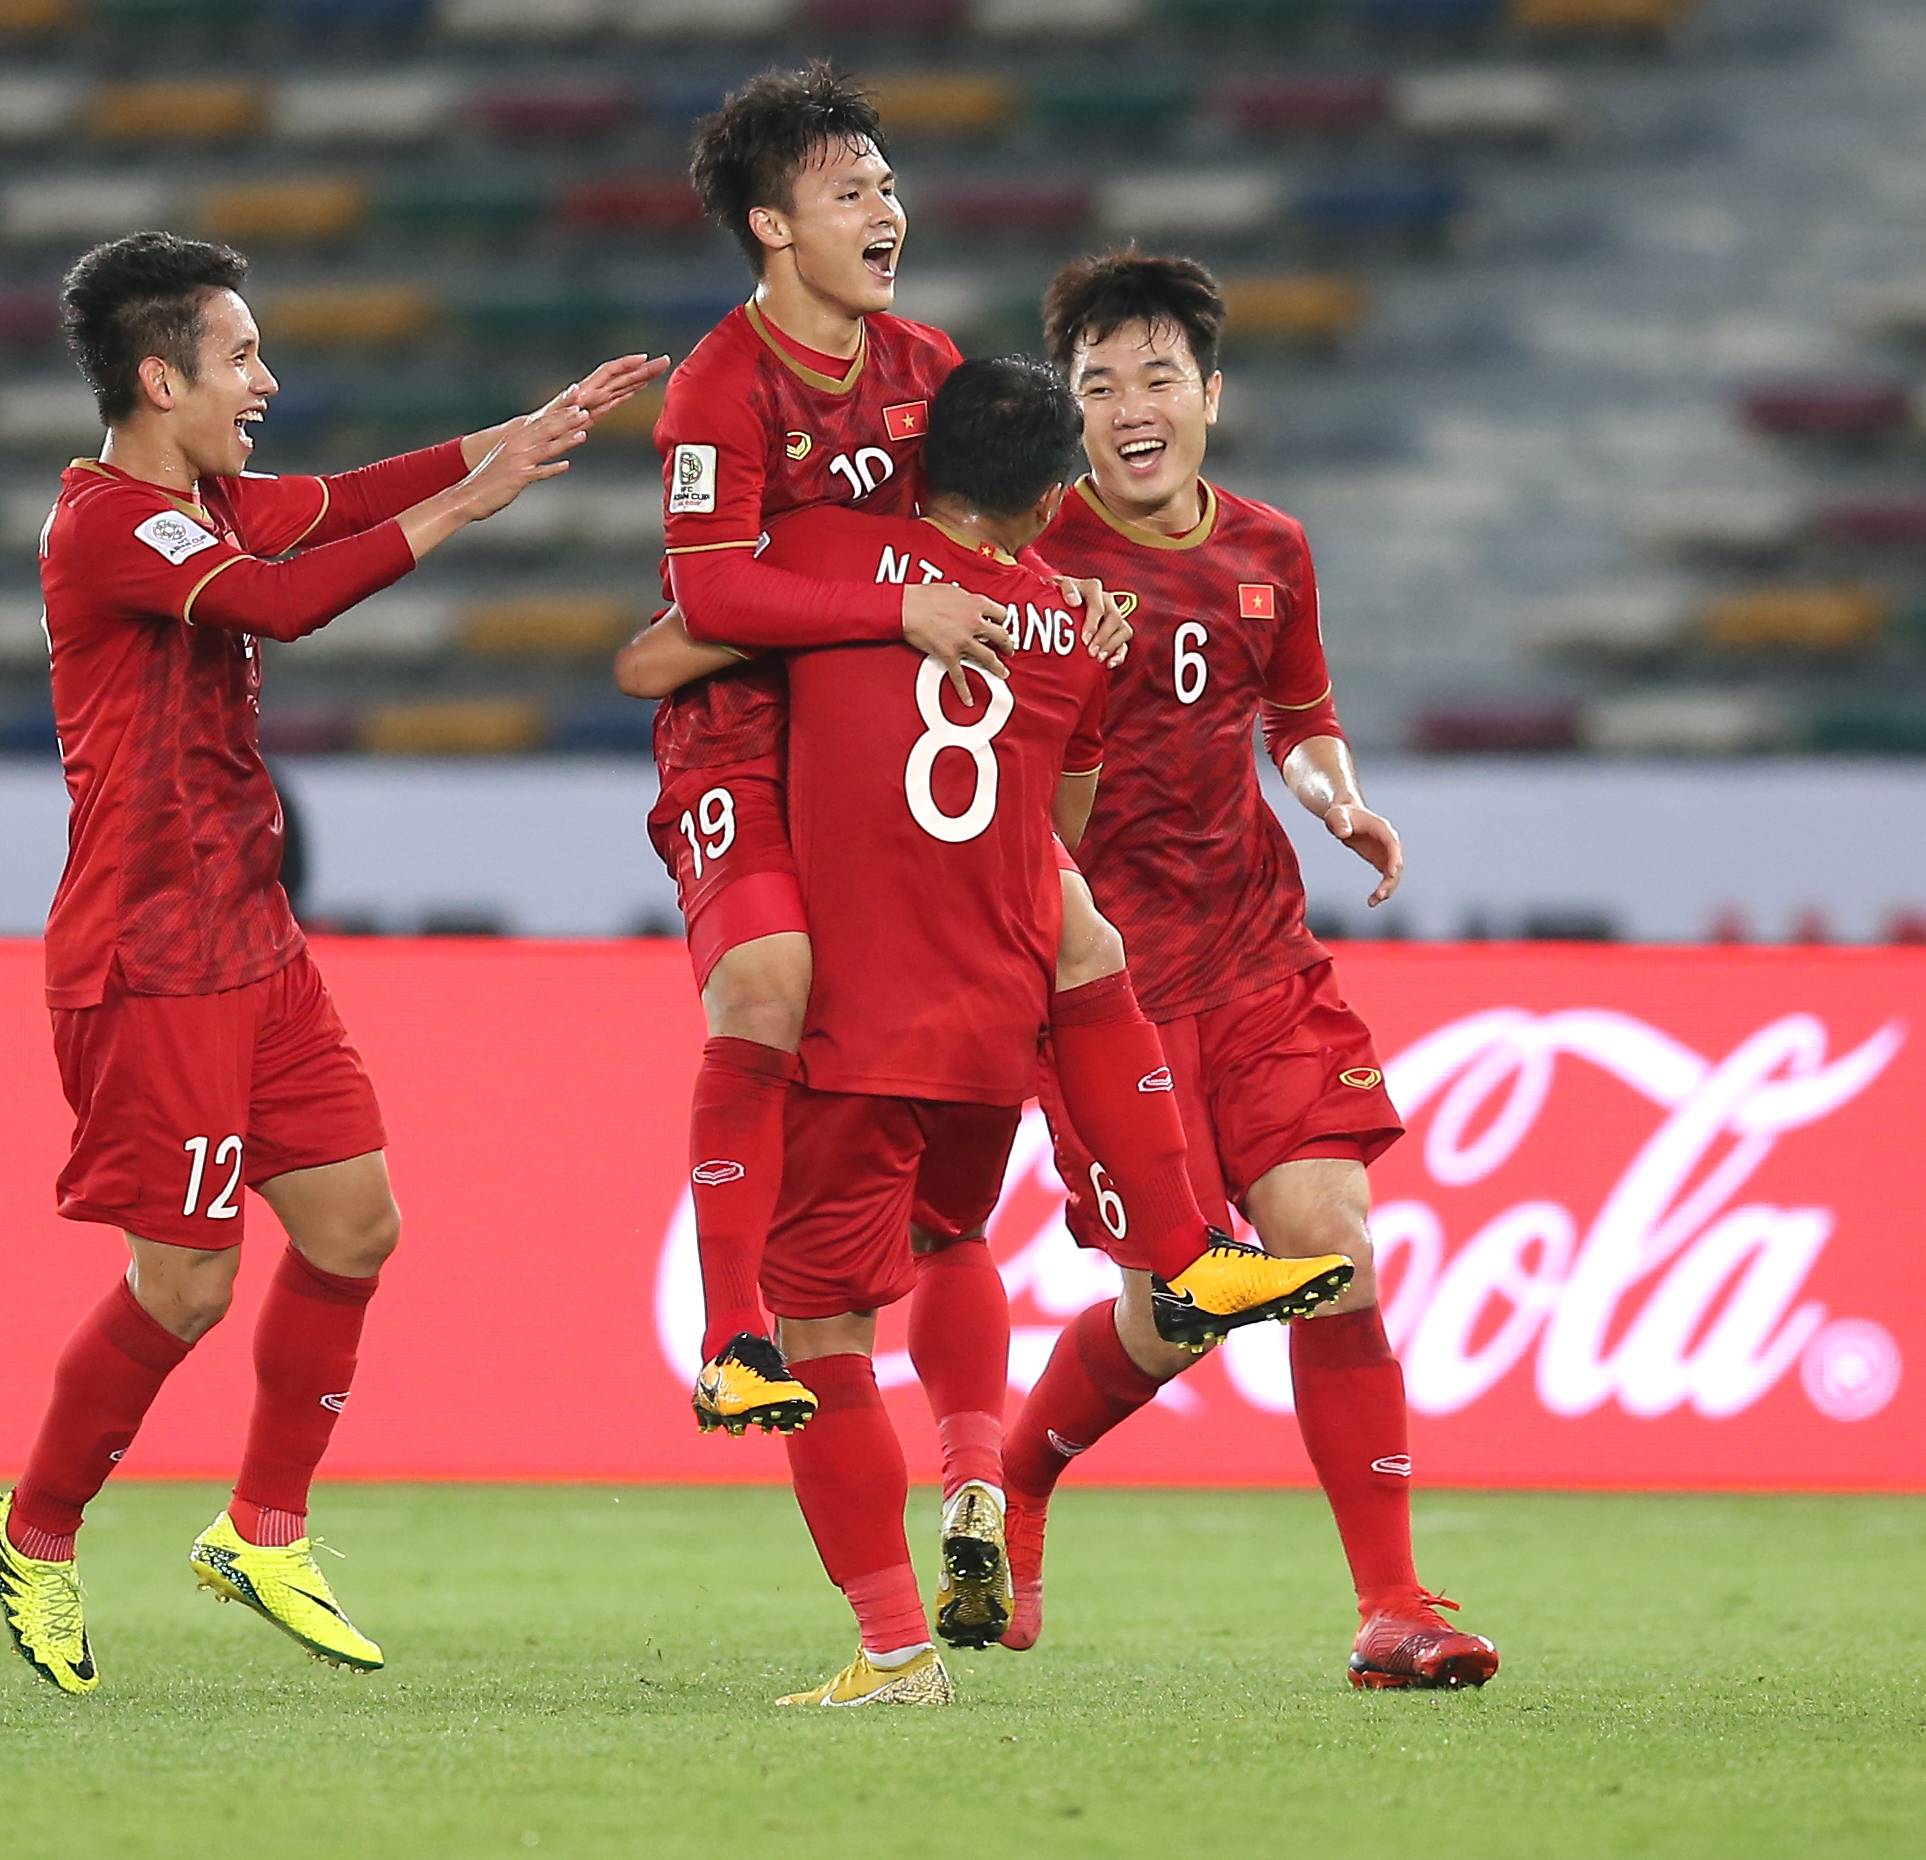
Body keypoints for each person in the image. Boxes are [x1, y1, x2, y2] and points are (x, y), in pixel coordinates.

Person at [620, 64, 1340, 1502]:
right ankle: (734, 1338)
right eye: (851, 192)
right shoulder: (716, 390)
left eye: (888, 184)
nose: (888, 210)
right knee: (763, 980)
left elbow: (994, 522)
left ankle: (1182, 1250)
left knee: (1071, 935)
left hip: (894, 730)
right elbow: (706, 598)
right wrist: (900, 612)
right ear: (773, 227)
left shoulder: (923, 359)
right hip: (743, 738)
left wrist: (1069, 599)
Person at [0, 230, 666, 1695]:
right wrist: (471, 508)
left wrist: (512, 435)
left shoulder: (205, 496)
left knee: (353, 1224)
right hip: (149, 955)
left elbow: (334, 502)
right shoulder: (109, 525)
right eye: (241, 359)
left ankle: (261, 1531)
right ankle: (33, 1531)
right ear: (161, 380)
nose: (265, 380)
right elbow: (278, 599)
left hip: (251, 935)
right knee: (185, 1290)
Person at [732, 356, 1349, 1707]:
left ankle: (893, 1652)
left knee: (819, 1332)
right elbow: (1064, 833)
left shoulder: (843, 562)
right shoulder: (1069, 631)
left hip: (853, 1028)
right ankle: (1003, 1446)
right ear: (1048, 498)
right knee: (952, 1232)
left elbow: (688, 622)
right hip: (992, 1031)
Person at [1007, 250, 1499, 1691]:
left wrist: (1332, 793)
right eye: (1099, 386)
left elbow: (1298, 709)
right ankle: (1022, 1490)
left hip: (1258, 956)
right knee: (1174, 1318)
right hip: (1106, 992)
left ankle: (1394, 1604)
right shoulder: (1031, 553)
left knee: (1329, 1252)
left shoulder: (1269, 548)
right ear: (1072, 413)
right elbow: (1020, 803)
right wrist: (1067, 690)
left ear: (1210, 395)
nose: (1129, 407)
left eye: (1157, 376)